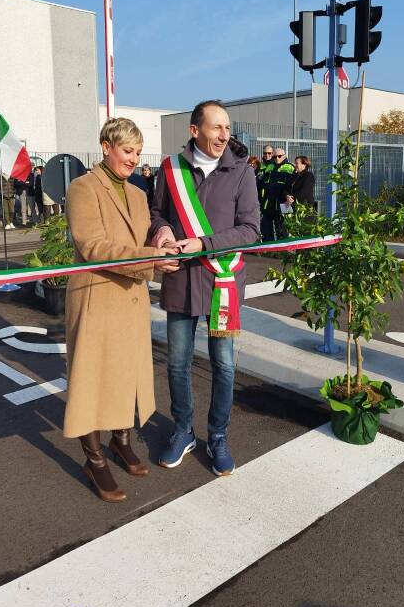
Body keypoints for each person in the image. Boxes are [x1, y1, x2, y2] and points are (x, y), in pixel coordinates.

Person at [64, 117, 179, 502]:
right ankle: (93, 459)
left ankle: (121, 440)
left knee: (125, 374)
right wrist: (151, 259)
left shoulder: (137, 192)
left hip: (130, 297)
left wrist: (160, 236)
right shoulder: (82, 188)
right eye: (127, 151)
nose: (133, 159)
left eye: (137, 152)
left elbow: (140, 235)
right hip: (97, 298)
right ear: (106, 146)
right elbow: (94, 246)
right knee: (93, 379)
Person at [150, 100, 260, 476]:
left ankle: (218, 436)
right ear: (194, 130)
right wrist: (161, 230)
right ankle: (183, 431)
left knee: (224, 366)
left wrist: (204, 244)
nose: (224, 135)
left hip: (221, 282)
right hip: (180, 279)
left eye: (227, 129)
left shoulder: (243, 172)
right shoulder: (170, 169)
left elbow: (251, 230)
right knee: (177, 364)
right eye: (216, 128)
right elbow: (157, 211)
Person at [261, 148, 295, 240]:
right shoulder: (270, 166)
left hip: (284, 202)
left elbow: (292, 186)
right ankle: (269, 251)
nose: (277, 158)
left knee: (283, 228)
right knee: (266, 227)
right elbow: (263, 182)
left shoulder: (290, 167)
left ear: (285, 156)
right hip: (269, 202)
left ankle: (283, 252)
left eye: (279, 156)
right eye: (275, 156)